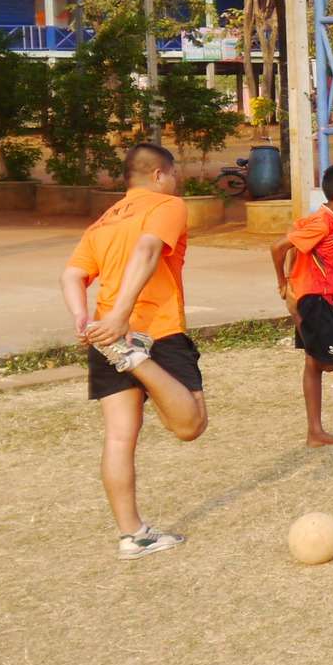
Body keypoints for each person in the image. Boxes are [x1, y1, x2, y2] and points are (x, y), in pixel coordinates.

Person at [60, 142, 207, 558]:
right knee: (191, 424)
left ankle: (132, 535)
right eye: (174, 175)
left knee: (119, 437)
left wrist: (83, 320)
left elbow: (71, 275)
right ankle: (136, 358)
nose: (176, 182)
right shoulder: (167, 205)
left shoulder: (103, 221)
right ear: (159, 175)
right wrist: (122, 317)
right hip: (151, 330)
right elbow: (147, 249)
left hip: (104, 335)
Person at [272, 162, 333, 447]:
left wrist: (292, 277)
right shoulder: (322, 222)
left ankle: (315, 431)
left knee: (313, 362)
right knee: (329, 361)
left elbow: (296, 243)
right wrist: (284, 282)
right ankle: (315, 431)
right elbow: (279, 247)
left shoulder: (327, 220)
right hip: (314, 299)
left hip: (318, 298)